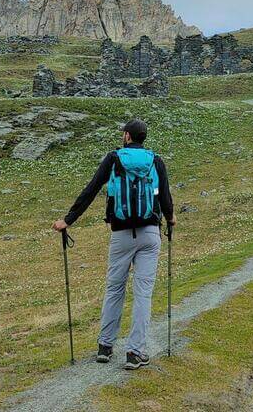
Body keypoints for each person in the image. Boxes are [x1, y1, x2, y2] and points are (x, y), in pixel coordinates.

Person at [52, 118, 175, 370]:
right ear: (143, 137)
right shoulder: (156, 160)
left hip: (120, 234)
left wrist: (68, 220)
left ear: (128, 136)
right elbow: (165, 197)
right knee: (143, 293)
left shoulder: (113, 158)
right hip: (150, 234)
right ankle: (135, 352)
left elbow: (92, 189)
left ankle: (105, 347)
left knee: (114, 288)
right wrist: (171, 218)